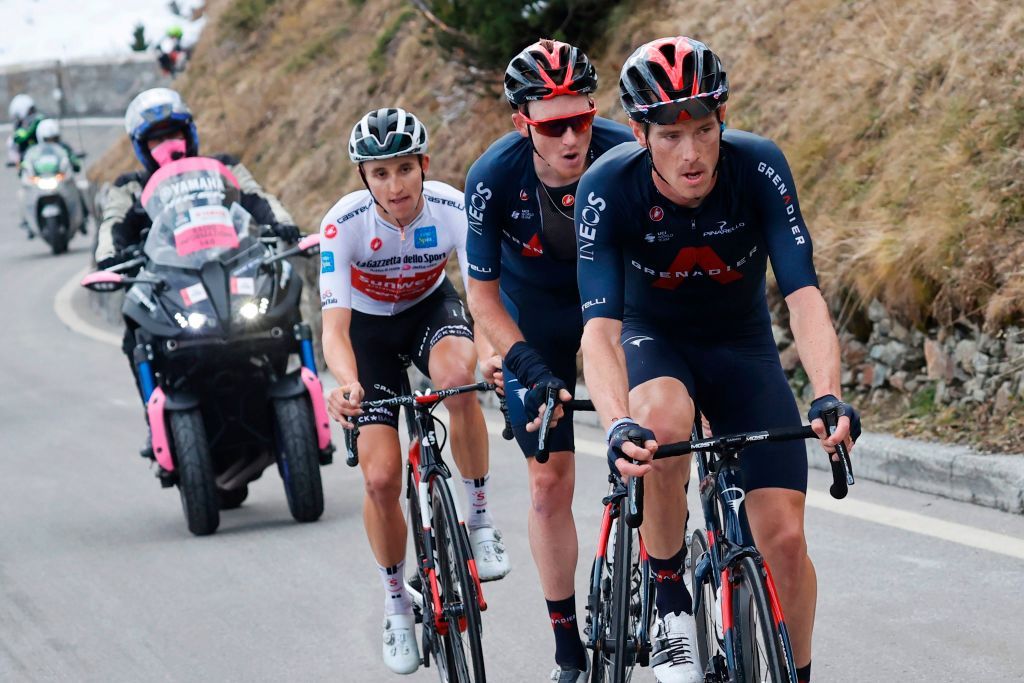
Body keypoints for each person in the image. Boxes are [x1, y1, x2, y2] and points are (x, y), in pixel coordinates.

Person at [576, 37, 861, 683]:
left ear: (722, 118)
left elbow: (805, 294)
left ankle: (797, 671)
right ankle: (671, 598)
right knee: (663, 426)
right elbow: (599, 329)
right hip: (656, 341)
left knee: (784, 539)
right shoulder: (607, 188)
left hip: (743, 347)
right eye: (671, 135)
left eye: (704, 130)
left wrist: (826, 392)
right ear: (641, 132)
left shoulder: (758, 168)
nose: (692, 152)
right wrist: (619, 420)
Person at [464, 39, 633, 682]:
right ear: (520, 125)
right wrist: (522, 360)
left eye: (581, 119)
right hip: (532, 319)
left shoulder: (627, 152)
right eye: (551, 125)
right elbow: (480, 295)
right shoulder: (494, 177)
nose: (571, 137)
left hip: (613, 308)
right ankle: (568, 647)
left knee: (670, 429)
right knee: (548, 483)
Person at [321, 107, 512, 676]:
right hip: (368, 334)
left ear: (424, 165)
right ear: (363, 177)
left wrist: (495, 352)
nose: (394, 185)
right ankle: (397, 604)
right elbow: (334, 328)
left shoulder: (453, 207)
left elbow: (481, 298)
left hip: (432, 309)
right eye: (380, 174)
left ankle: (477, 519)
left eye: (404, 169)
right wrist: (347, 382)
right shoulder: (343, 224)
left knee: (458, 379)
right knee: (380, 478)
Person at [94, 87, 299, 451]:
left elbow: (258, 199)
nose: (167, 144)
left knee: (285, 293)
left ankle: (288, 385)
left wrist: (282, 223)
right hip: (173, 284)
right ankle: (153, 420)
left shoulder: (225, 167)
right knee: (135, 332)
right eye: (156, 139)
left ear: (189, 133)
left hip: (235, 271)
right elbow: (112, 224)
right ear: (141, 146)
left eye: (173, 134)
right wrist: (108, 256)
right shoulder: (130, 187)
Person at [9, 94, 46, 158]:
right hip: (28, 159)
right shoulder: (22, 125)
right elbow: (18, 137)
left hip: (42, 156)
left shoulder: (39, 120)